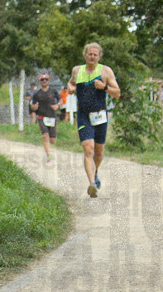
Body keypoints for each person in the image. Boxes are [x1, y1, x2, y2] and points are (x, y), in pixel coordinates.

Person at [67, 42, 121, 198]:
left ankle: (95, 172)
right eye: (89, 54)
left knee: (99, 151)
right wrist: (70, 87)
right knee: (88, 149)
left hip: (100, 115)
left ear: (99, 56)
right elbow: (71, 82)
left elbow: (117, 93)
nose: (92, 57)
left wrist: (104, 87)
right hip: (84, 115)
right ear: (85, 55)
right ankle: (92, 184)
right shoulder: (77, 70)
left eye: (95, 54)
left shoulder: (105, 71)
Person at [30, 73, 60, 162]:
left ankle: (51, 149)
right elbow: (32, 105)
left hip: (52, 117)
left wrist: (57, 105)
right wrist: (34, 107)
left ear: (48, 80)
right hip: (42, 117)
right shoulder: (37, 94)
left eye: (46, 79)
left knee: (53, 139)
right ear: (40, 81)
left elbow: (60, 100)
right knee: (45, 136)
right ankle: (48, 155)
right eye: (42, 80)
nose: (44, 81)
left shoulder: (53, 91)